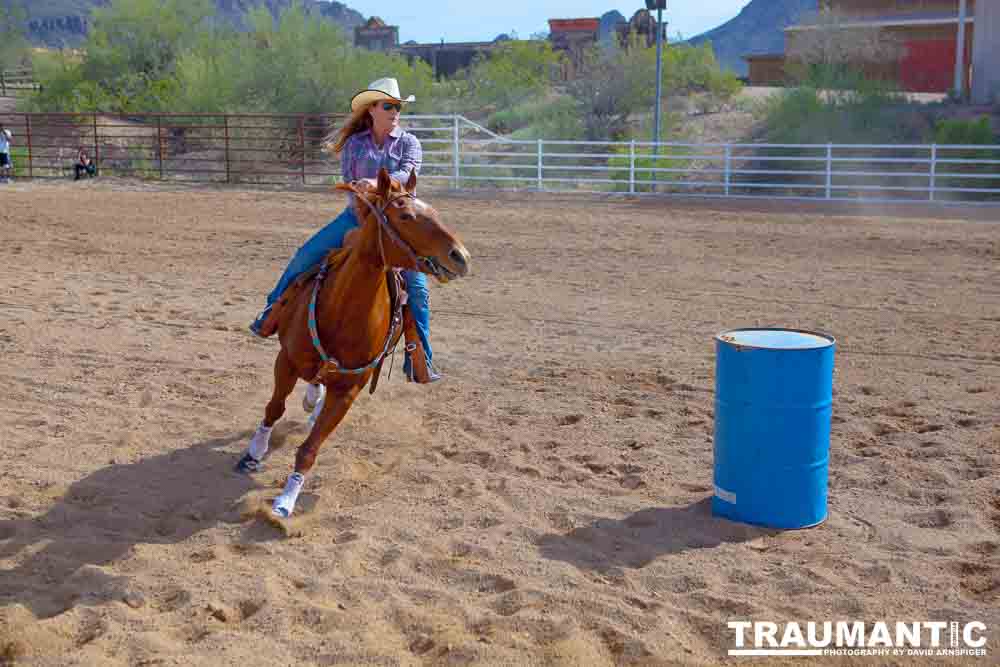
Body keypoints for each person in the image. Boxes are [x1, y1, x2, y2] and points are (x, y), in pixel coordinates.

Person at [249, 77, 441, 385]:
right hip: (358, 218)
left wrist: (378, 182)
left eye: (398, 107)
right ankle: (271, 310)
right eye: (389, 106)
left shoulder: (409, 143)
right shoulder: (355, 144)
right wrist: (362, 189)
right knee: (305, 256)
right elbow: (351, 183)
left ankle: (420, 357)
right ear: (372, 110)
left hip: (398, 226)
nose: (395, 111)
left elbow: (406, 175)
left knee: (417, 289)